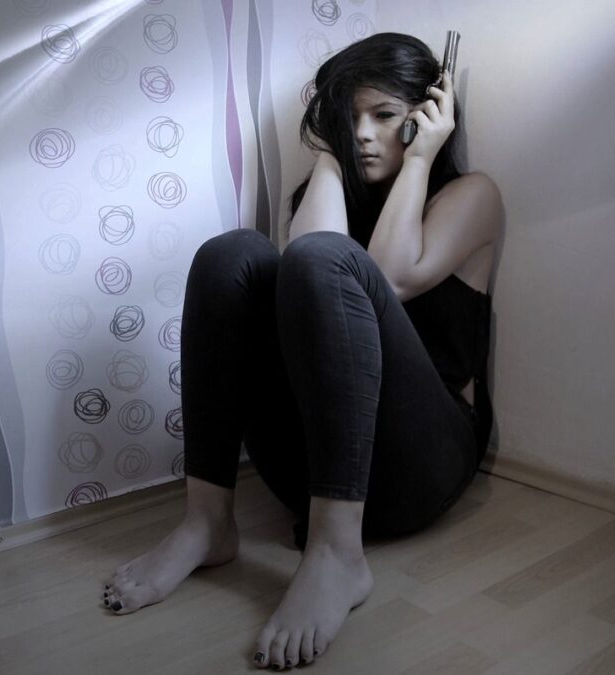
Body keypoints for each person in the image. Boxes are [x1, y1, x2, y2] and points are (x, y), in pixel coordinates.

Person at [101, 32, 502, 670]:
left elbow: (388, 276)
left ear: (428, 114)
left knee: (324, 256)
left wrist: (422, 159)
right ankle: (207, 524)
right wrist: (331, 159)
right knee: (232, 255)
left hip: (423, 464)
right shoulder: (330, 193)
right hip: (318, 471)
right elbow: (310, 274)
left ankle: (339, 555)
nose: (363, 134)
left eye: (385, 115)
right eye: (349, 117)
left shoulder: (471, 195)